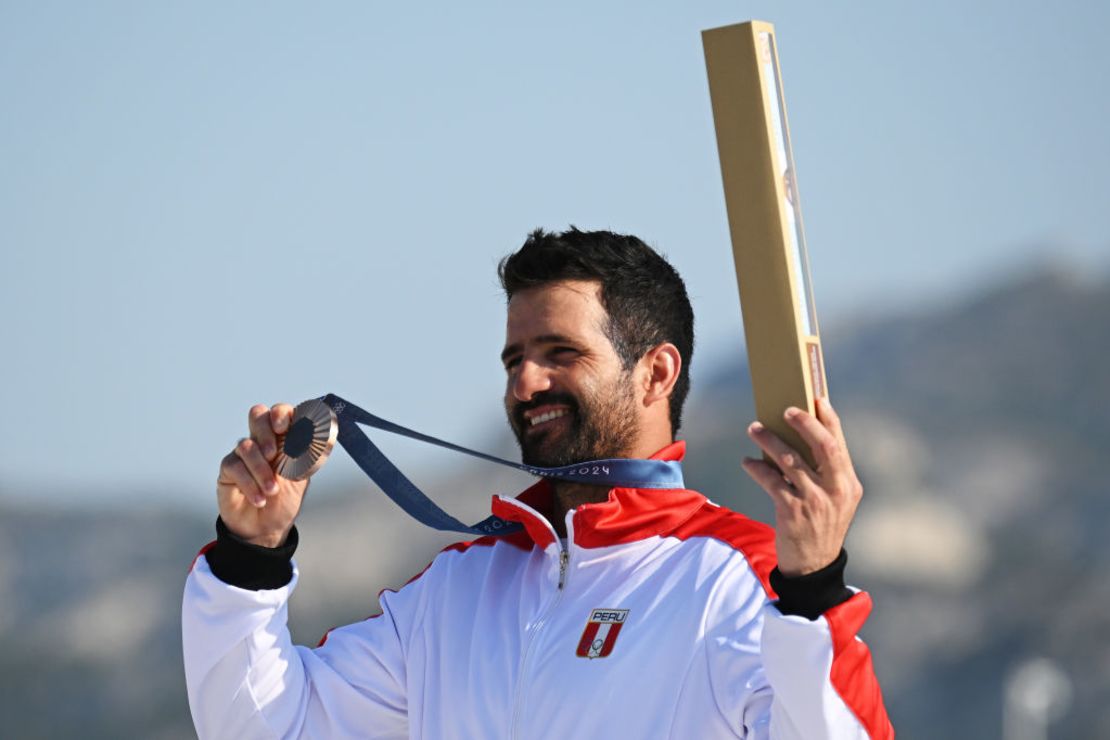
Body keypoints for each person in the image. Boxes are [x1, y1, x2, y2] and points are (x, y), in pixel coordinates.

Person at [183, 228, 893, 739]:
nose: (525, 381)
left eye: (561, 353)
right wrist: (251, 554)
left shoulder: (737, 576)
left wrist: (814, 590)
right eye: (514, 357)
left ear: (656, 373)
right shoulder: (456, 591)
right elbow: (271, 728)